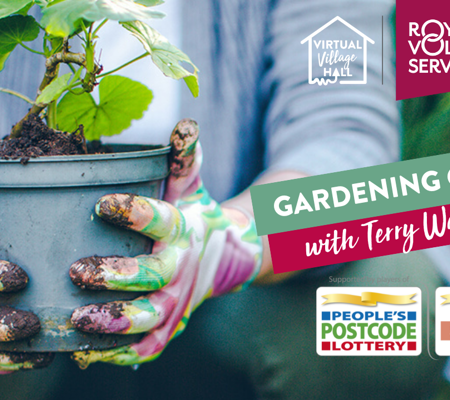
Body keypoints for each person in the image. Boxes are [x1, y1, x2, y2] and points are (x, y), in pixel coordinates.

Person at [0, 0, 447, 399]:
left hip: (227, 301)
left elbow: (345, 137)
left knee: (397, 292)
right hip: (19, 284)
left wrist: (231, 240)